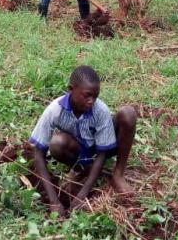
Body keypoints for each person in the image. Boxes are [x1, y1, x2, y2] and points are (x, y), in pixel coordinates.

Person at [29, 65, 137, 215]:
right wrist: (54, 201)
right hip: (78, 150)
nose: (91, 101)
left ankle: (117, 175)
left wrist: (82, 195)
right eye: (87, 95)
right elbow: (38, 153)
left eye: (95, 96)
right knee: (57, 143)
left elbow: (102, 154)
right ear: (71, 89)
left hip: (103, 147)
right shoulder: (54, 110)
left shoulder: (100, 110)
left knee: (128, 113)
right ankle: (81, 169)